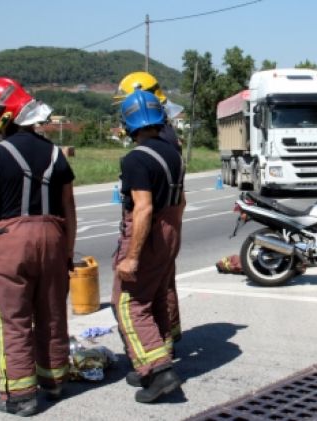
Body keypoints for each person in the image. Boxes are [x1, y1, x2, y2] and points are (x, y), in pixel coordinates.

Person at [0, 77, 77, 416]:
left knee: (14, 319)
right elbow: (69, 209)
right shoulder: (55, 154)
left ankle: (20, 395)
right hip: (53, 237)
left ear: (1, 119)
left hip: (11, 241)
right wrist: (67, 252)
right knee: (51, 314)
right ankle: (54, 382)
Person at [112, 90, 185, 403]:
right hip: (170, 229)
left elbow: (142, 209)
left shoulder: (136, 159)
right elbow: (181, 202)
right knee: (155, 296)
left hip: (149, 231)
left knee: (129, 304)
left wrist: (131, 257)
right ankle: (154, 358)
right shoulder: (173, 153)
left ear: (129, 124)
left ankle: (159, 371)